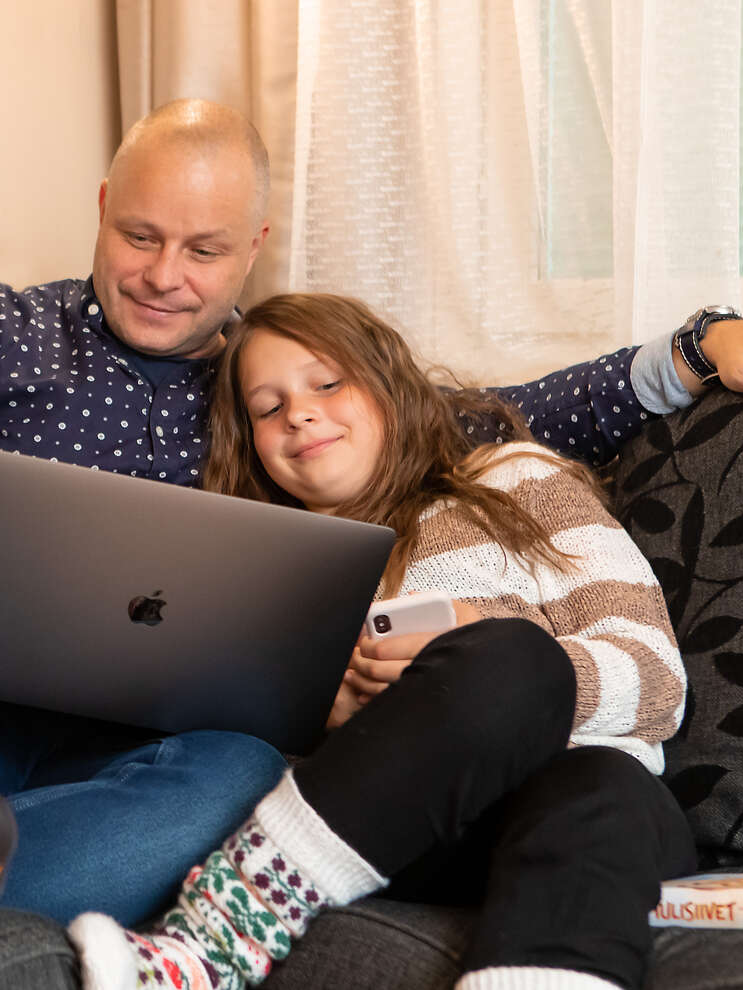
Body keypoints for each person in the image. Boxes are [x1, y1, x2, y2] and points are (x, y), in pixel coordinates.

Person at [0, 99, 743, 990]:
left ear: (256, 246)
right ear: (100, 211)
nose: (165, 277)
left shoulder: (274, 391)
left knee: (237, 775)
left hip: (147, 730)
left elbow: (498, 420)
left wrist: (690, 350)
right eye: (140, 236)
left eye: (205, 250)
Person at [67, 292, 696, 990]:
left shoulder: (515, 478)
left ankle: (214, 940)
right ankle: (214, 940)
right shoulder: (268, 569)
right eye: (268, 408)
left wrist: (474, 652)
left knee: (576, 747)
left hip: (592, 812)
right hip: (402, 832)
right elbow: (224, 754)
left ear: (390, 385)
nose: (299, 414)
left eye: (328, 383)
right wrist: (324, 713)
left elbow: (658, 680)